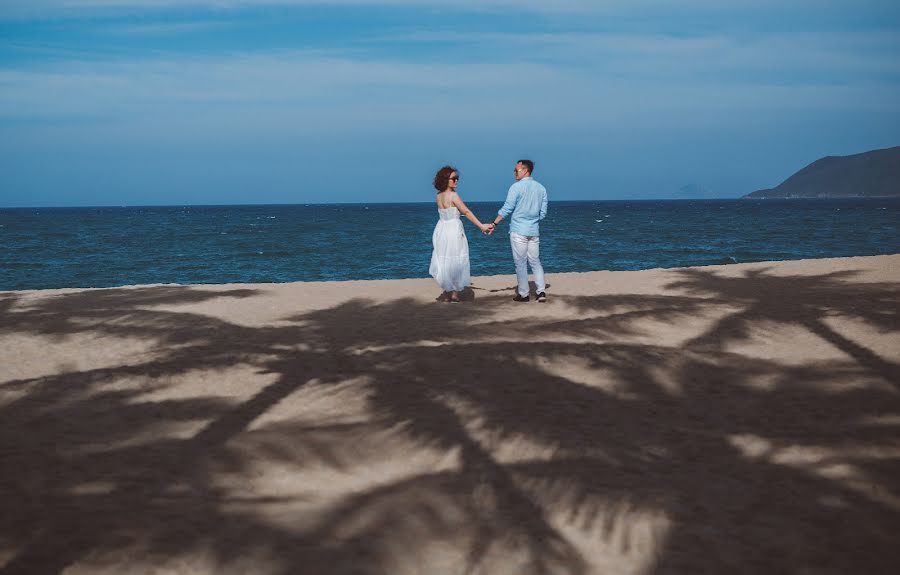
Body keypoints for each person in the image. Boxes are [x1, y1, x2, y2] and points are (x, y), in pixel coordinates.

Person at [429, 165, 493, 303]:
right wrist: (481, 226)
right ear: (446, 179)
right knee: (457, 259)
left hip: (441, 229)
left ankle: (447, 292)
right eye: (453, 178)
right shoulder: (453, 195)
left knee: (445, 260)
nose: (456, 181)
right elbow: (466, 212)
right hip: (452, 229)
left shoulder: (438, 196)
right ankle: (455, 295)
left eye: (457, 178)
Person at [488, 159, 548, 302]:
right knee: (535, 261)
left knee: (520, 263)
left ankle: (524, 294)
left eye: (517, 170)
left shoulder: (516, 187)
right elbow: (543, 213)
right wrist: (532, 220)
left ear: (526, 170)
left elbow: (507, 208)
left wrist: (494, 223)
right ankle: (541, 292)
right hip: (533, 231)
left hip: (518, 230)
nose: (514, 172)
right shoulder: (541, 188)